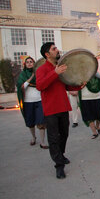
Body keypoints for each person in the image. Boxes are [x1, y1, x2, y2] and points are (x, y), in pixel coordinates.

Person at [36, 42, 83, 179]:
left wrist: (79, 86)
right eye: (54, 49)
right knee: (54, 138)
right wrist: (54, 73)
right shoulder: (42, 69)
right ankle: (59, 166)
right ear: (47, 54)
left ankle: (60, 155)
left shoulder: (60, 68)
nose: (57, 50)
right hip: (50, 110)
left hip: (63, 107)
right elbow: (40, 86)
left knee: (64, 134)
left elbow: (67, 87)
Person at [16, 56, 48, 149]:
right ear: (25, 64)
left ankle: (42, 142)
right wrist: (31, 77)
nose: (29, 63)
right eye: (27, 62)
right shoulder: (23, 75)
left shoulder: (39, 73)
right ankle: (33, 137)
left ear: (34, 64)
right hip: (27, 102)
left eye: (31, 62)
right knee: (30, 122)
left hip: (39, 100)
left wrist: (36, 75)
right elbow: (21, 87)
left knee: (41, 121)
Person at [79, 74, 100, 139]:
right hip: (85, 97)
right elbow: (77, 84)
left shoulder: (95, 72)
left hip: (96, 97)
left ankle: (97, 126)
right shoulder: (80, 74)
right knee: (89, 116)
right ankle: (94, 132)